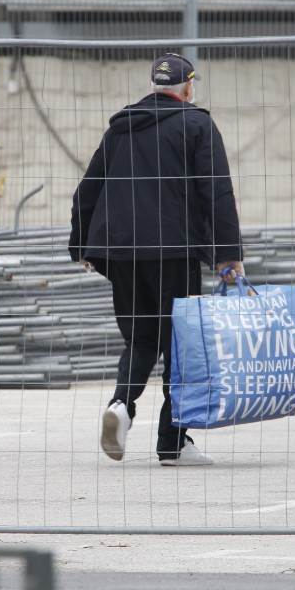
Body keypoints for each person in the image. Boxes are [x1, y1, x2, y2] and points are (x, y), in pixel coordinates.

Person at [69, 53, 244, 466]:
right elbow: (216, 193)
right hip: (174, 252)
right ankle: (173, 442)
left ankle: (121, 405)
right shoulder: (197, 125)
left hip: (124, 253)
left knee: (142, 338)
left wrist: (82, 246)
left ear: (154, 86)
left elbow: (87, 190)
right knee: (181, 346)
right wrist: (228, 255)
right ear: (187, 87)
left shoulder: (121, 129)